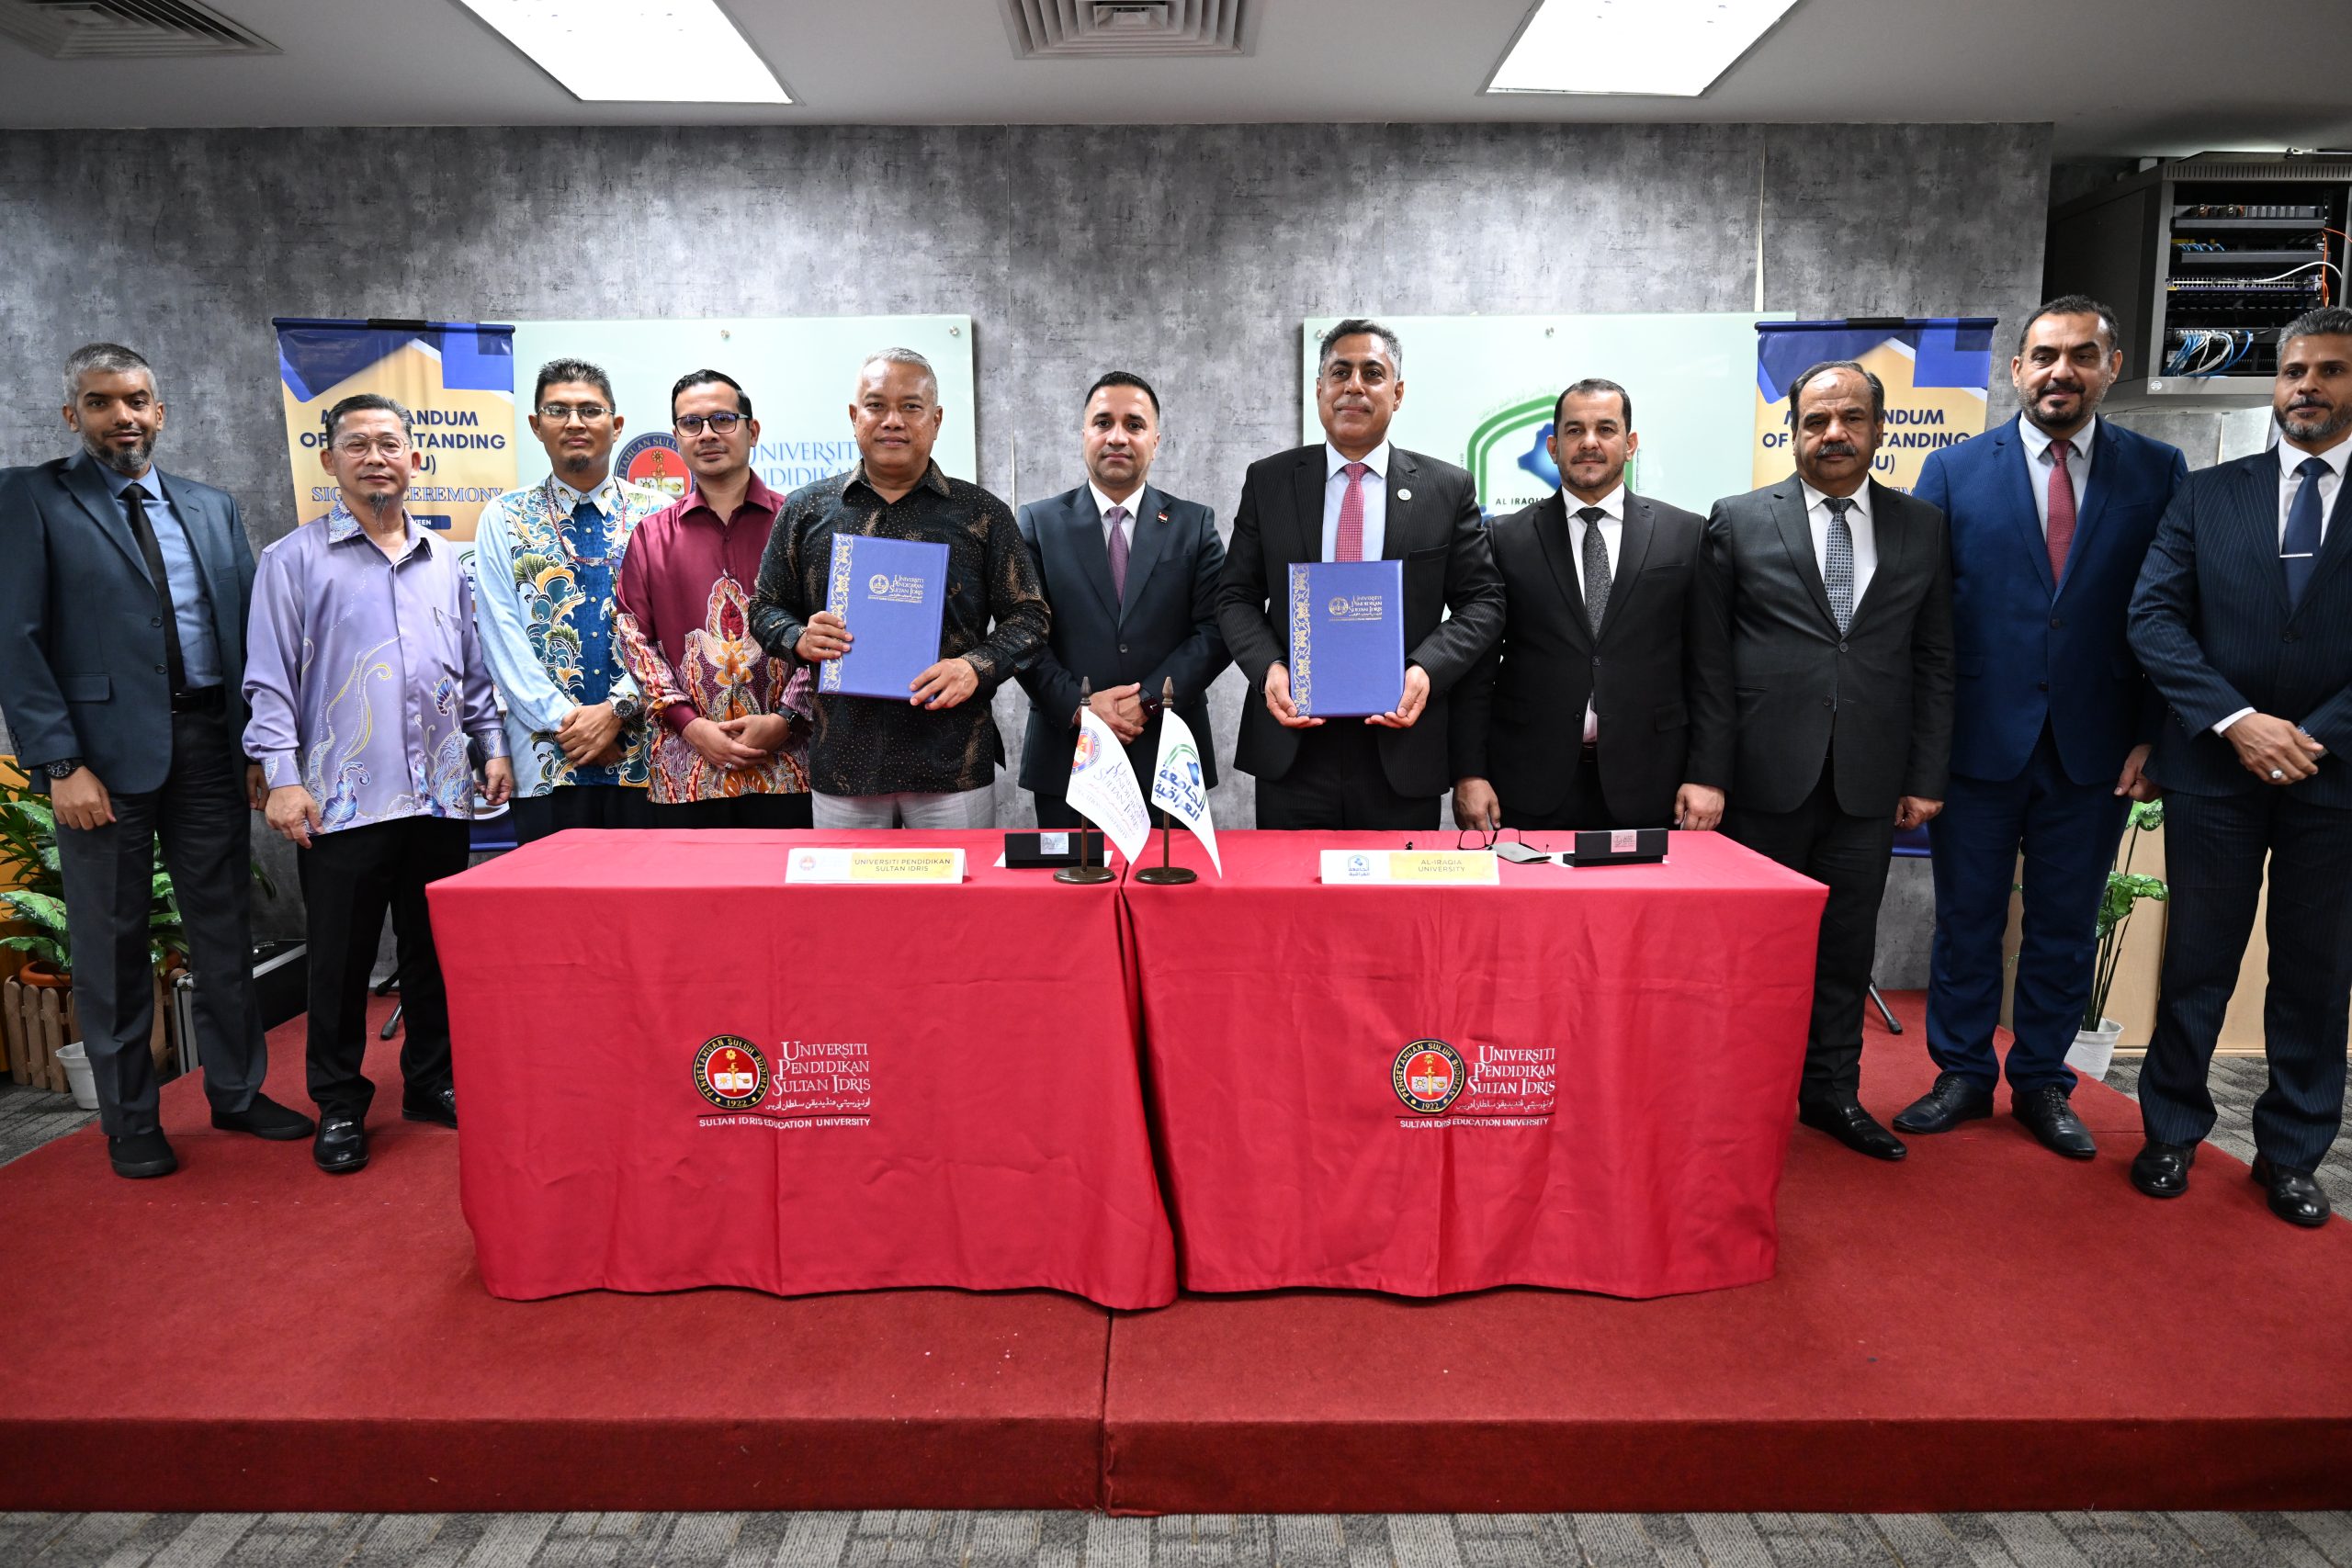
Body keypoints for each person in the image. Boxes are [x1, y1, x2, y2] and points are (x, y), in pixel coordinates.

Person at [0, 343, 311, 1179]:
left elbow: (251, 638)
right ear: (74, 416)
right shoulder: (32, 498)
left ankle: (239, 1092)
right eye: (101, 403)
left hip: (210, 745)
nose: (123, 417)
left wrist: (258, 746)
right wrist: (60, 763)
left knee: (223, 928)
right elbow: (16, 641)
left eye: (136, 400)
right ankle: (131, 1118)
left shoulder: (210, 507)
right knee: (109, 939)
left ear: (160, 410)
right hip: (100, 762)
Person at [1897, 297, 2188, 1158]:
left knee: (2064, 924)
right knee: (1967, 919)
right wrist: (1925, 746)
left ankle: (2043, 1082)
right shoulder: (1951, 471)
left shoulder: (2158, 471)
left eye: (2081, 356)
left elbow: (2173, 611)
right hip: (1978, 743)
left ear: (2112, 365)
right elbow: (1923, 622)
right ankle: (1960, 1073)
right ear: (2016, 369)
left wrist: (2154, 735)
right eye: (2045, 355)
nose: (2062, 370)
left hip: (2096, 749)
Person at [244, 393, 512, 1175]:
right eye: (355, 444)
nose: (375, 457)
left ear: (415, 459)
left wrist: (490, 745)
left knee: (433, 952)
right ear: (328, 461)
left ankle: (430, 1082)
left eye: (389, 443)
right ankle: (338, 1103)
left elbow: (471, 669)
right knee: (340, 961)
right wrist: (283, 780)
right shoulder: (290, 561)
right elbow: (268, 684)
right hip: (341, 799)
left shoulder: (446, 559)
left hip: (438, 792)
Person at [2128, 305, 2352, 1227]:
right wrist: (2236, 722)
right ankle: (2172, 1131)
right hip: (2215, 771)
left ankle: (2291, 1154)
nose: (2307, 386)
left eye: (2331, 371)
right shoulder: (2206, 493)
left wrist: (2311, 735)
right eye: (2295, 369)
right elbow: (2152, 619)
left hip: (2334, 779)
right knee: (2197, 960)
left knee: (2315, 971)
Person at [1704, 360, 1955, 1161]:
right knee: (1751, 952)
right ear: (1792, 428)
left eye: (1850, 418)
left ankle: (1831, 1094)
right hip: (1760, 778)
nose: (1833, 433)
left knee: (1846, 947)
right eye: (1815, 420)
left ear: (1880, 427)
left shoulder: (1921, 526)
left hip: (1868, 784)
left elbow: (1935, 657)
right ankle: (1739, 1099)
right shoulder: (1739, 519)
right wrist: (1706, 772)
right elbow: (1706, 662)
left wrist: (1924, 775)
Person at [1215, 318, 1504, 829]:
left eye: (1372, 373)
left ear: (1397, 392)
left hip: (1402, 744)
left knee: (1396, 908)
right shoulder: (1270, 481)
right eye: (1340, 372)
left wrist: (1425, 670)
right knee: (1294, 905)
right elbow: (1235, 596)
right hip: (1295, 746)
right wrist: (1268, 670)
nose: (1354, 386)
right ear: (1319, 388)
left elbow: (1483, 602)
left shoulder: (1445, 487)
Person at [749, 349, 1048, 829]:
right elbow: (764, 607)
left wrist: (976, 667)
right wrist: (798, 637)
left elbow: (1030, 617)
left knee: (955, 905)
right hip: (843, 762)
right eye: (876, 405)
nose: (893, 421)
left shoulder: (981, 513)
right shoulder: (807, 510)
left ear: (936, 419)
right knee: (849, 906)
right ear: (854, 416)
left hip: (951, 762)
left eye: (911, 406)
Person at [1451, 378, 1730, 834]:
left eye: (1606, 428)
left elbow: (1711, 668)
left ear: (1630, 442)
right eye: (1575, 431)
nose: (1590, 443)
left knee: (1639, 908)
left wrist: (1708, 774)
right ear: (1553, 446)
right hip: (1527, 781)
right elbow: (1477, 670)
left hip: (1652, 780)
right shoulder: (1505, 538)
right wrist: (1469, 773)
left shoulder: (1686, 533)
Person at [1014, 371, 1228, 828]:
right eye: (1103, 422)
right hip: (1067, 756)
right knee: (1069, 896)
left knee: (1172, 897)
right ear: (1083, 435)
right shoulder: (1038, 522)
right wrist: (1080, 707)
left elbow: (1216, 631)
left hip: (1168, 758)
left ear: (1156, 439)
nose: (1117, 437)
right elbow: (1023, 634)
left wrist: (1149, 700)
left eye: (1133, 424)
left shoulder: (1194, 524)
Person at [474, 357, 672, 839]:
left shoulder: (659, 514)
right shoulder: (503, 517)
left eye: (590, 410)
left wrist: (617, 711)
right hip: (546, 759)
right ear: (536, 426)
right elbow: (500, 635)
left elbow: (673, 631)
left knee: (649, 909)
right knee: (551, 910)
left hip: (647, 755)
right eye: (558, 410)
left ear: (616, 424)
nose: (575, 423)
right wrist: (570, 724)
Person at [613, 369, 812, 827]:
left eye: (723, 419)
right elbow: (633, 641)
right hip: (688, 771)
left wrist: (785, 719)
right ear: (678, 438)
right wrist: (690, 725)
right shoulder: (650, 536)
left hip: (792, 770)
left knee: (789, 898)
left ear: (752, 430)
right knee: (692, 899)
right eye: (691, 423)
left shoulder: (800, 523)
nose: (706, 435)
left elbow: (830, 629)